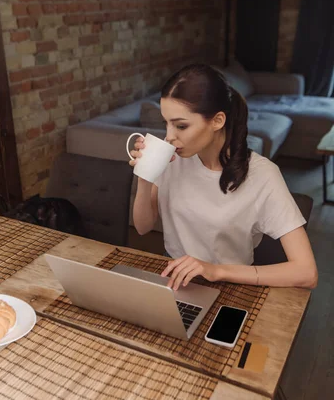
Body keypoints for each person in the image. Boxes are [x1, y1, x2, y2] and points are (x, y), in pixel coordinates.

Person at [129, 64, 318, 291]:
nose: (169, 137)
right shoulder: (172, 158)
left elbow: (307, 273)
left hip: (232, 285)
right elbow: (142, 227)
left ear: (217, 121)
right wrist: (145, 175)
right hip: (174, 280)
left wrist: (215, 270)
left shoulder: (263, 175)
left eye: (181, 125)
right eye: (166, 123)